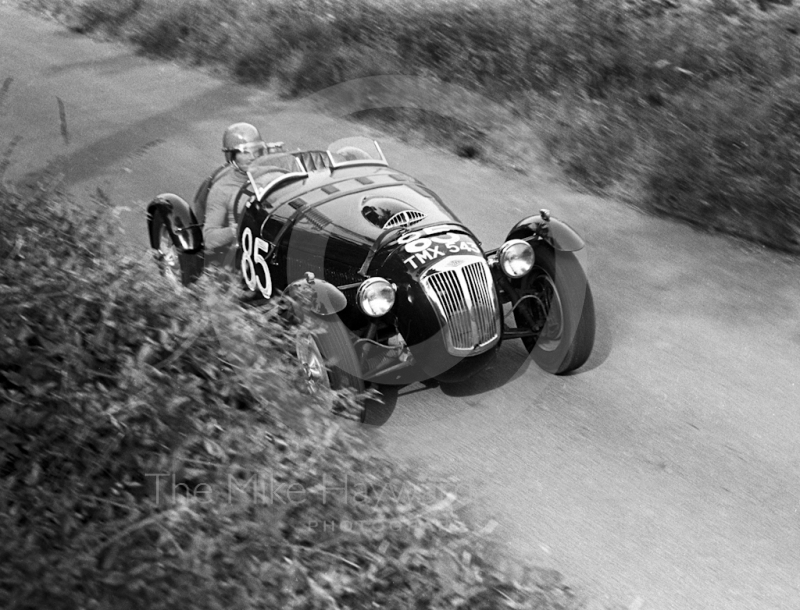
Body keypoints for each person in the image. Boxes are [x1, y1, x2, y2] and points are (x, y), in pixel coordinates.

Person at [203, 122, 266, 264]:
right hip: (244, 254)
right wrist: (235, 230)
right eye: (244, 152)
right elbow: (209, 238)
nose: (252, 157)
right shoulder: (222, 189)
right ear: (232, 156)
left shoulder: (270, 174)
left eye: (256, 150)